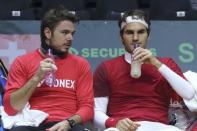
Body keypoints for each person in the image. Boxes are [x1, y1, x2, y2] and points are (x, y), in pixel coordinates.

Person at [93, 9, 195, 131]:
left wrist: (156, 64)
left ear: (148, 35)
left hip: (159, 127)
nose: (135, 38)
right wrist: (114, 122)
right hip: (122, 128)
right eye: (130, 32)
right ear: (121, 37)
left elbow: (189, 94)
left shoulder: (165, 63)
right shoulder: (106, 68)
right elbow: (97, 111)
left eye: (141, 32)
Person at [3, 7, 94, 131]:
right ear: (48, 33)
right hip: (32, 124)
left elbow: (87, 108)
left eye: (72, 33)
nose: (70, 38)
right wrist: (36, 77)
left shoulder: (81, 64)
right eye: (64, 32)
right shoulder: (22, 62)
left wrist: (69, 122)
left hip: (66, 124)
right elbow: (10, 108)